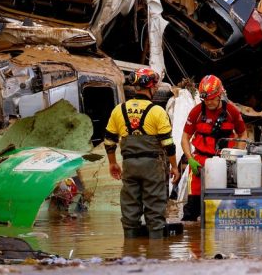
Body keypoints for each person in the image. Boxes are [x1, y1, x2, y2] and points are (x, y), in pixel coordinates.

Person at [104, 67, 180, 239]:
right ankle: (156, 251)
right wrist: (175, 167)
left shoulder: (119, 110)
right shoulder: (157, 111)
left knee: (130, 209)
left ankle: (130, 251)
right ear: (152, 88)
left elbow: (109, 141)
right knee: (155, 211)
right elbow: (168, 144)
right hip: (152, 167)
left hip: (129, 166)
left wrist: (112, 163)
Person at [180, 75, 246, 221]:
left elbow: (242, 133)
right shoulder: (196, 111)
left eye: (212, 99)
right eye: (206, 99)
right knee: (192, 208)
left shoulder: (232, 112)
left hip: (225, 162)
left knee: (223, 207)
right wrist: (190, 159)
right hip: (199, 163)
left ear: (220, 95)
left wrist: (238, 155)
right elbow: (185, 137)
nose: (208, 102)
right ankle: (192, 241)